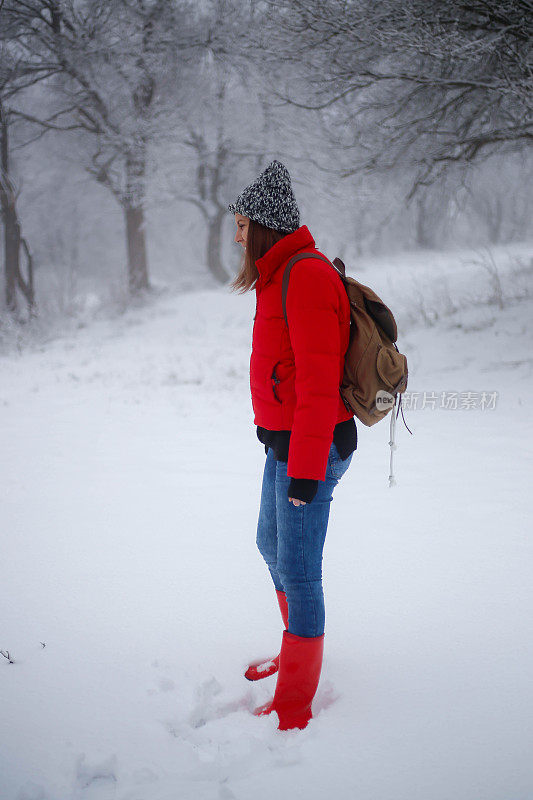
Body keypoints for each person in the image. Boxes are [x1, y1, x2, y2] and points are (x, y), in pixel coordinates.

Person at [227, 160, 357, 731]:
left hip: (313, 447)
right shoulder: (277, 275)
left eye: (240, 222)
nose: (234, 232)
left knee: (300, 570)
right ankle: (292, 651)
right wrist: (270, 428)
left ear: (262, 225)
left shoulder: (303, 276)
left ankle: (296, 700)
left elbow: (318, 381)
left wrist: (304, 470)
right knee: (269, 542)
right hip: (287, 442)